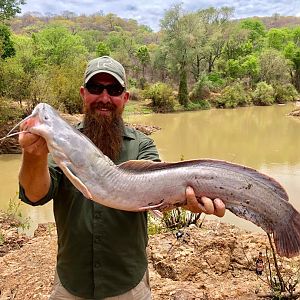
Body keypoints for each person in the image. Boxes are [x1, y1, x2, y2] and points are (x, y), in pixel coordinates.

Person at [18, 56, 226, 300]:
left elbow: (160, 196)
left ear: (125, 98)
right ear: (83, 94)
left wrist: (184, 200)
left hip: (128, 285)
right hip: (71, 283)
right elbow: (34, 194)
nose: (105, 98)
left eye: (114, 89)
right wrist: (33, 156)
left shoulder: (142, 144)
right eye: (96, 88)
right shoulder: (61, 143)